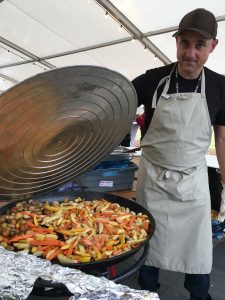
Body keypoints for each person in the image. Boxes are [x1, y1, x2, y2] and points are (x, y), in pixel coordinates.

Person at [132, 8, 225, 300]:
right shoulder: (151, 81)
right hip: (154, 180)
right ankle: (147, 293)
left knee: (198, 255)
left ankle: (199, 296)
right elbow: (115, 106)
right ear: (177, 43)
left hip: (192, 183)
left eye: (200, 45)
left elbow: (222, 138)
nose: (191, 53)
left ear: (213, 46)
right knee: (149, 249)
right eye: (185, 43)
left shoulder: (221, 87)